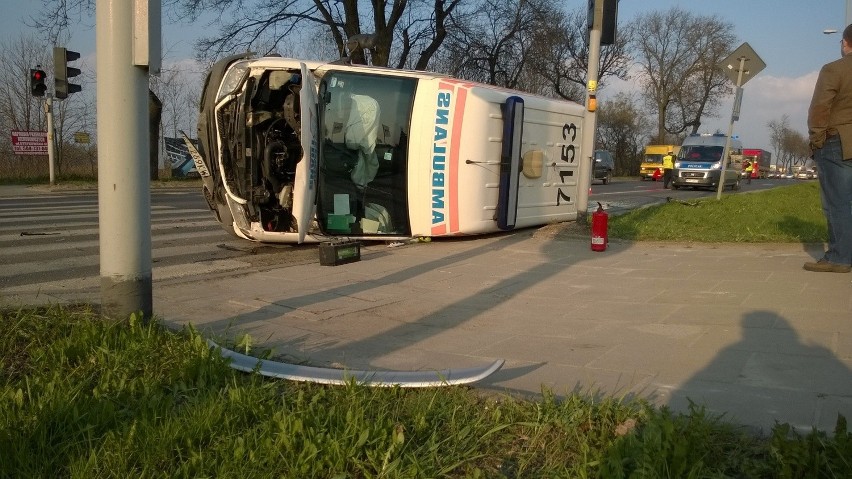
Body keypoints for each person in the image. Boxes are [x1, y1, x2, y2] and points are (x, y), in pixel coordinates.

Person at [804, 24, 852, 273]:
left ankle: (840, 257)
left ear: (845, 43)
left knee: (839, 201)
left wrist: (817, 140)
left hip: (839, 142)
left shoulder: (835, 69)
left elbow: (820, 109)